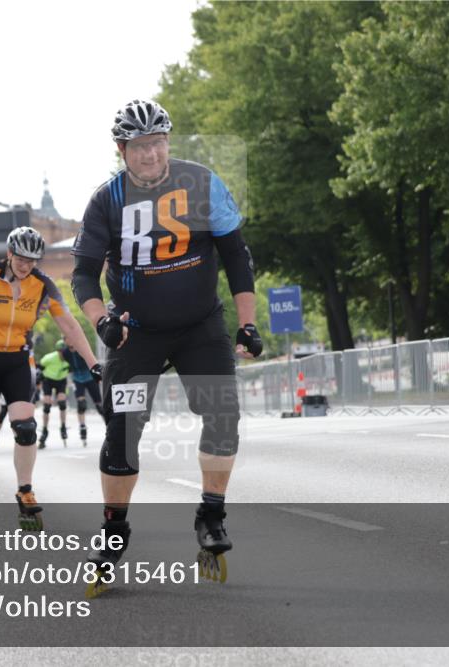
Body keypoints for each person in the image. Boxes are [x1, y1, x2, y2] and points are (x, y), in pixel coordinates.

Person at [71, 99, 263, 575]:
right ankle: (114, 531)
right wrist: (101, 321)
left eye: (157, 143)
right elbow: (83, 275)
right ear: (121, 150)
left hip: (200, 326)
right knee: (122, 431)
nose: (150, 154)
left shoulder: (202, 183)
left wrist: (248, 323)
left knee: (223, 414)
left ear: (168, 142)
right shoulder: (106, 201)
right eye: (139, 146)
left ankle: (211, 516)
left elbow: (236, 256)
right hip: (135, 333)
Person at [0, 226, 102, 527]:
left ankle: (25, 490)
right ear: (9, 254)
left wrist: (93, 364)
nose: (26, 266)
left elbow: (70, 326)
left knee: (26, 428)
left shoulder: (43, 285)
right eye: (21, 259)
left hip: (18, 358)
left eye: (32, 260)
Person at [64, 340, 104, 446]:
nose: (69, 342)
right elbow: (66, 364)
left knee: (99, 406)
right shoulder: (65, 352)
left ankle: (108, 425)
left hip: (89, 378)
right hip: (77, 379)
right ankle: (82, 427)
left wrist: (98, 376)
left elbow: (91, 360)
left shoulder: (81, 348)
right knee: (81, 405)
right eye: (66, 339)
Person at [37, 339, 70, 448]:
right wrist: (38, 381)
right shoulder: (49, 358)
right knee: (47, 406)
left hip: (61, 381)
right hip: (48, 380)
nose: (63, 354)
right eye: (61, 352)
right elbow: (39, 367)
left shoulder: (70, 359)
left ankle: (63, 426)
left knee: (62, 403)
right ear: (58, 351)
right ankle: (45, 430)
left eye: (64, 352)